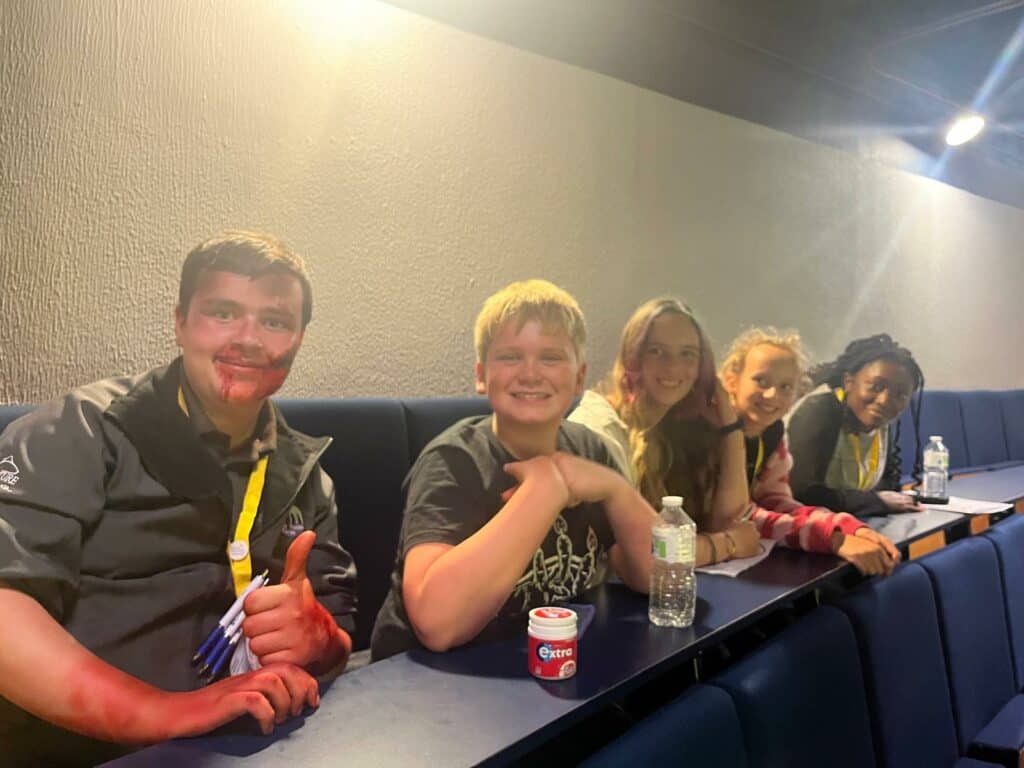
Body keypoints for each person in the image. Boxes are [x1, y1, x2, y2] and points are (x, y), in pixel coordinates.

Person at [0, 231, 357, 766]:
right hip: (85, 750)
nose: (249, 339)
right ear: (181, 323)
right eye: (222, 312)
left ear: (299, 338)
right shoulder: (80, 429)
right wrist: (167, 711)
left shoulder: (306, 472)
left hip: (258, 743)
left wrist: (321, 639)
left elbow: (337, 641)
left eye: (275, 321)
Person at [370, 280, 659, 660]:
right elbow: (437, 625)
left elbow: (661, 579)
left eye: (551, 357)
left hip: (544, 666)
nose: (530, 374)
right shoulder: (452, 461)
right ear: (480, 375)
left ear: (579, 377)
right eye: (509, 357)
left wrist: (614, 488)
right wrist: (544, 490)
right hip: (428, 684)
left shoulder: (590, 450)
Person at [569, 298, 761, 567]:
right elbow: (645, 556)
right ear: (632, 357)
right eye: (656, 351)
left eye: (687, 354)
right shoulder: (599, 431)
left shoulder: (674, 424)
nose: (672, 367)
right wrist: (727, 545)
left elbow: (728, 521)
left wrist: (730, 427)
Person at [719, 328, 900, 576]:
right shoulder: (717, 432)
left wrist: (847, 526)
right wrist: (831, 539)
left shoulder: (772, 432)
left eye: (785, 387)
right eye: (761, 381)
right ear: (732, 381)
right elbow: (738, 517)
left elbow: (776, 501)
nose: (773, 395)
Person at [785, 333, 924, 518]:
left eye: (900, 395)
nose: (885, 400)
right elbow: (801, 493)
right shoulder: (818, 411)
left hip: (849, 520)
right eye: (876, 386)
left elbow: (887, 483)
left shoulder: (879, 420)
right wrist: (875, 501)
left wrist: (875, 500)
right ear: (849, 382)